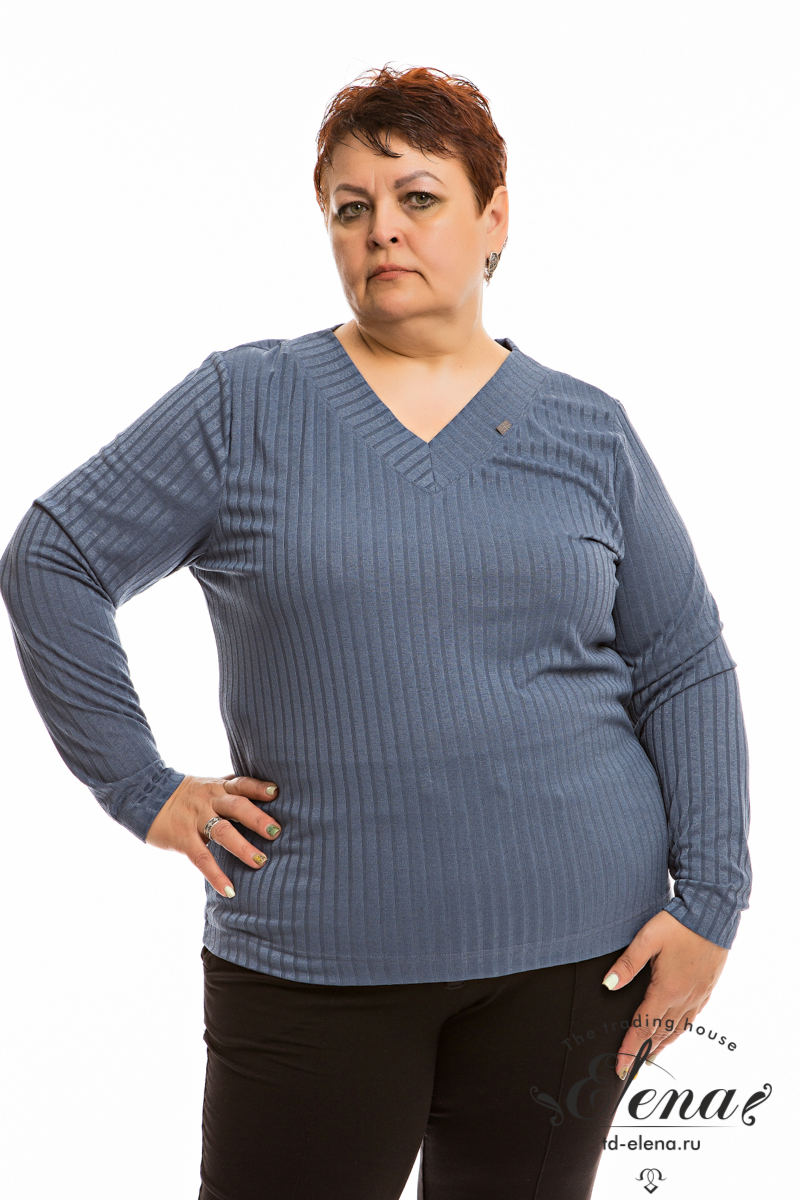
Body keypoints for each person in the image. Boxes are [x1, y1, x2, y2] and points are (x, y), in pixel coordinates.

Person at [0, 65, 751, 1200]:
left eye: (418, 198)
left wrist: (711, 904)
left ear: (494, 218)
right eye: (351, 207)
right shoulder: (243, 405)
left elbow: (682, 661)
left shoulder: (588, 428)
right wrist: (142, 788)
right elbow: (53, 558)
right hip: (316, 960)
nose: (381, 229)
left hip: (578, 958)